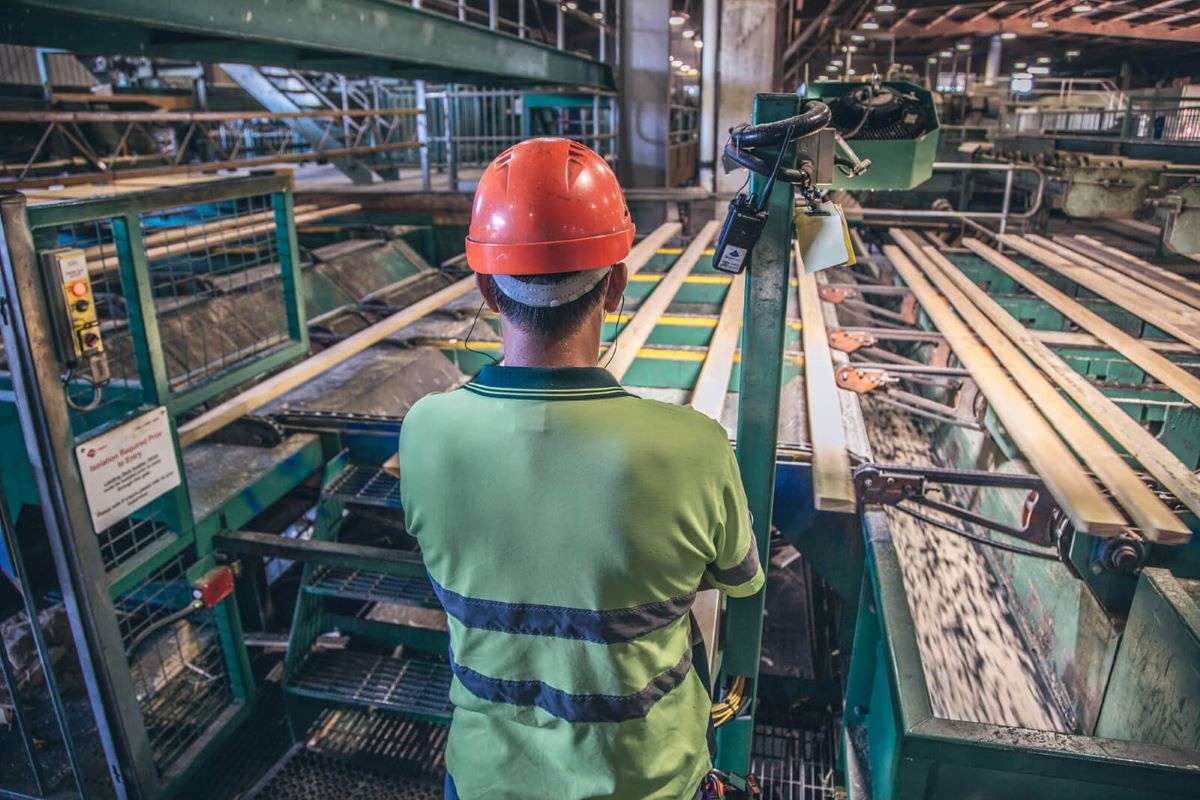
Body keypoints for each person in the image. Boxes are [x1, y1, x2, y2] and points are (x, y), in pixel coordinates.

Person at [399, 137, 763, 800]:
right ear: (618, 281)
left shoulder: (426, 431)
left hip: (484, 782)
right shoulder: (693, 447)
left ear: (485, 284)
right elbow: (736, 580)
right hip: (644, 782)